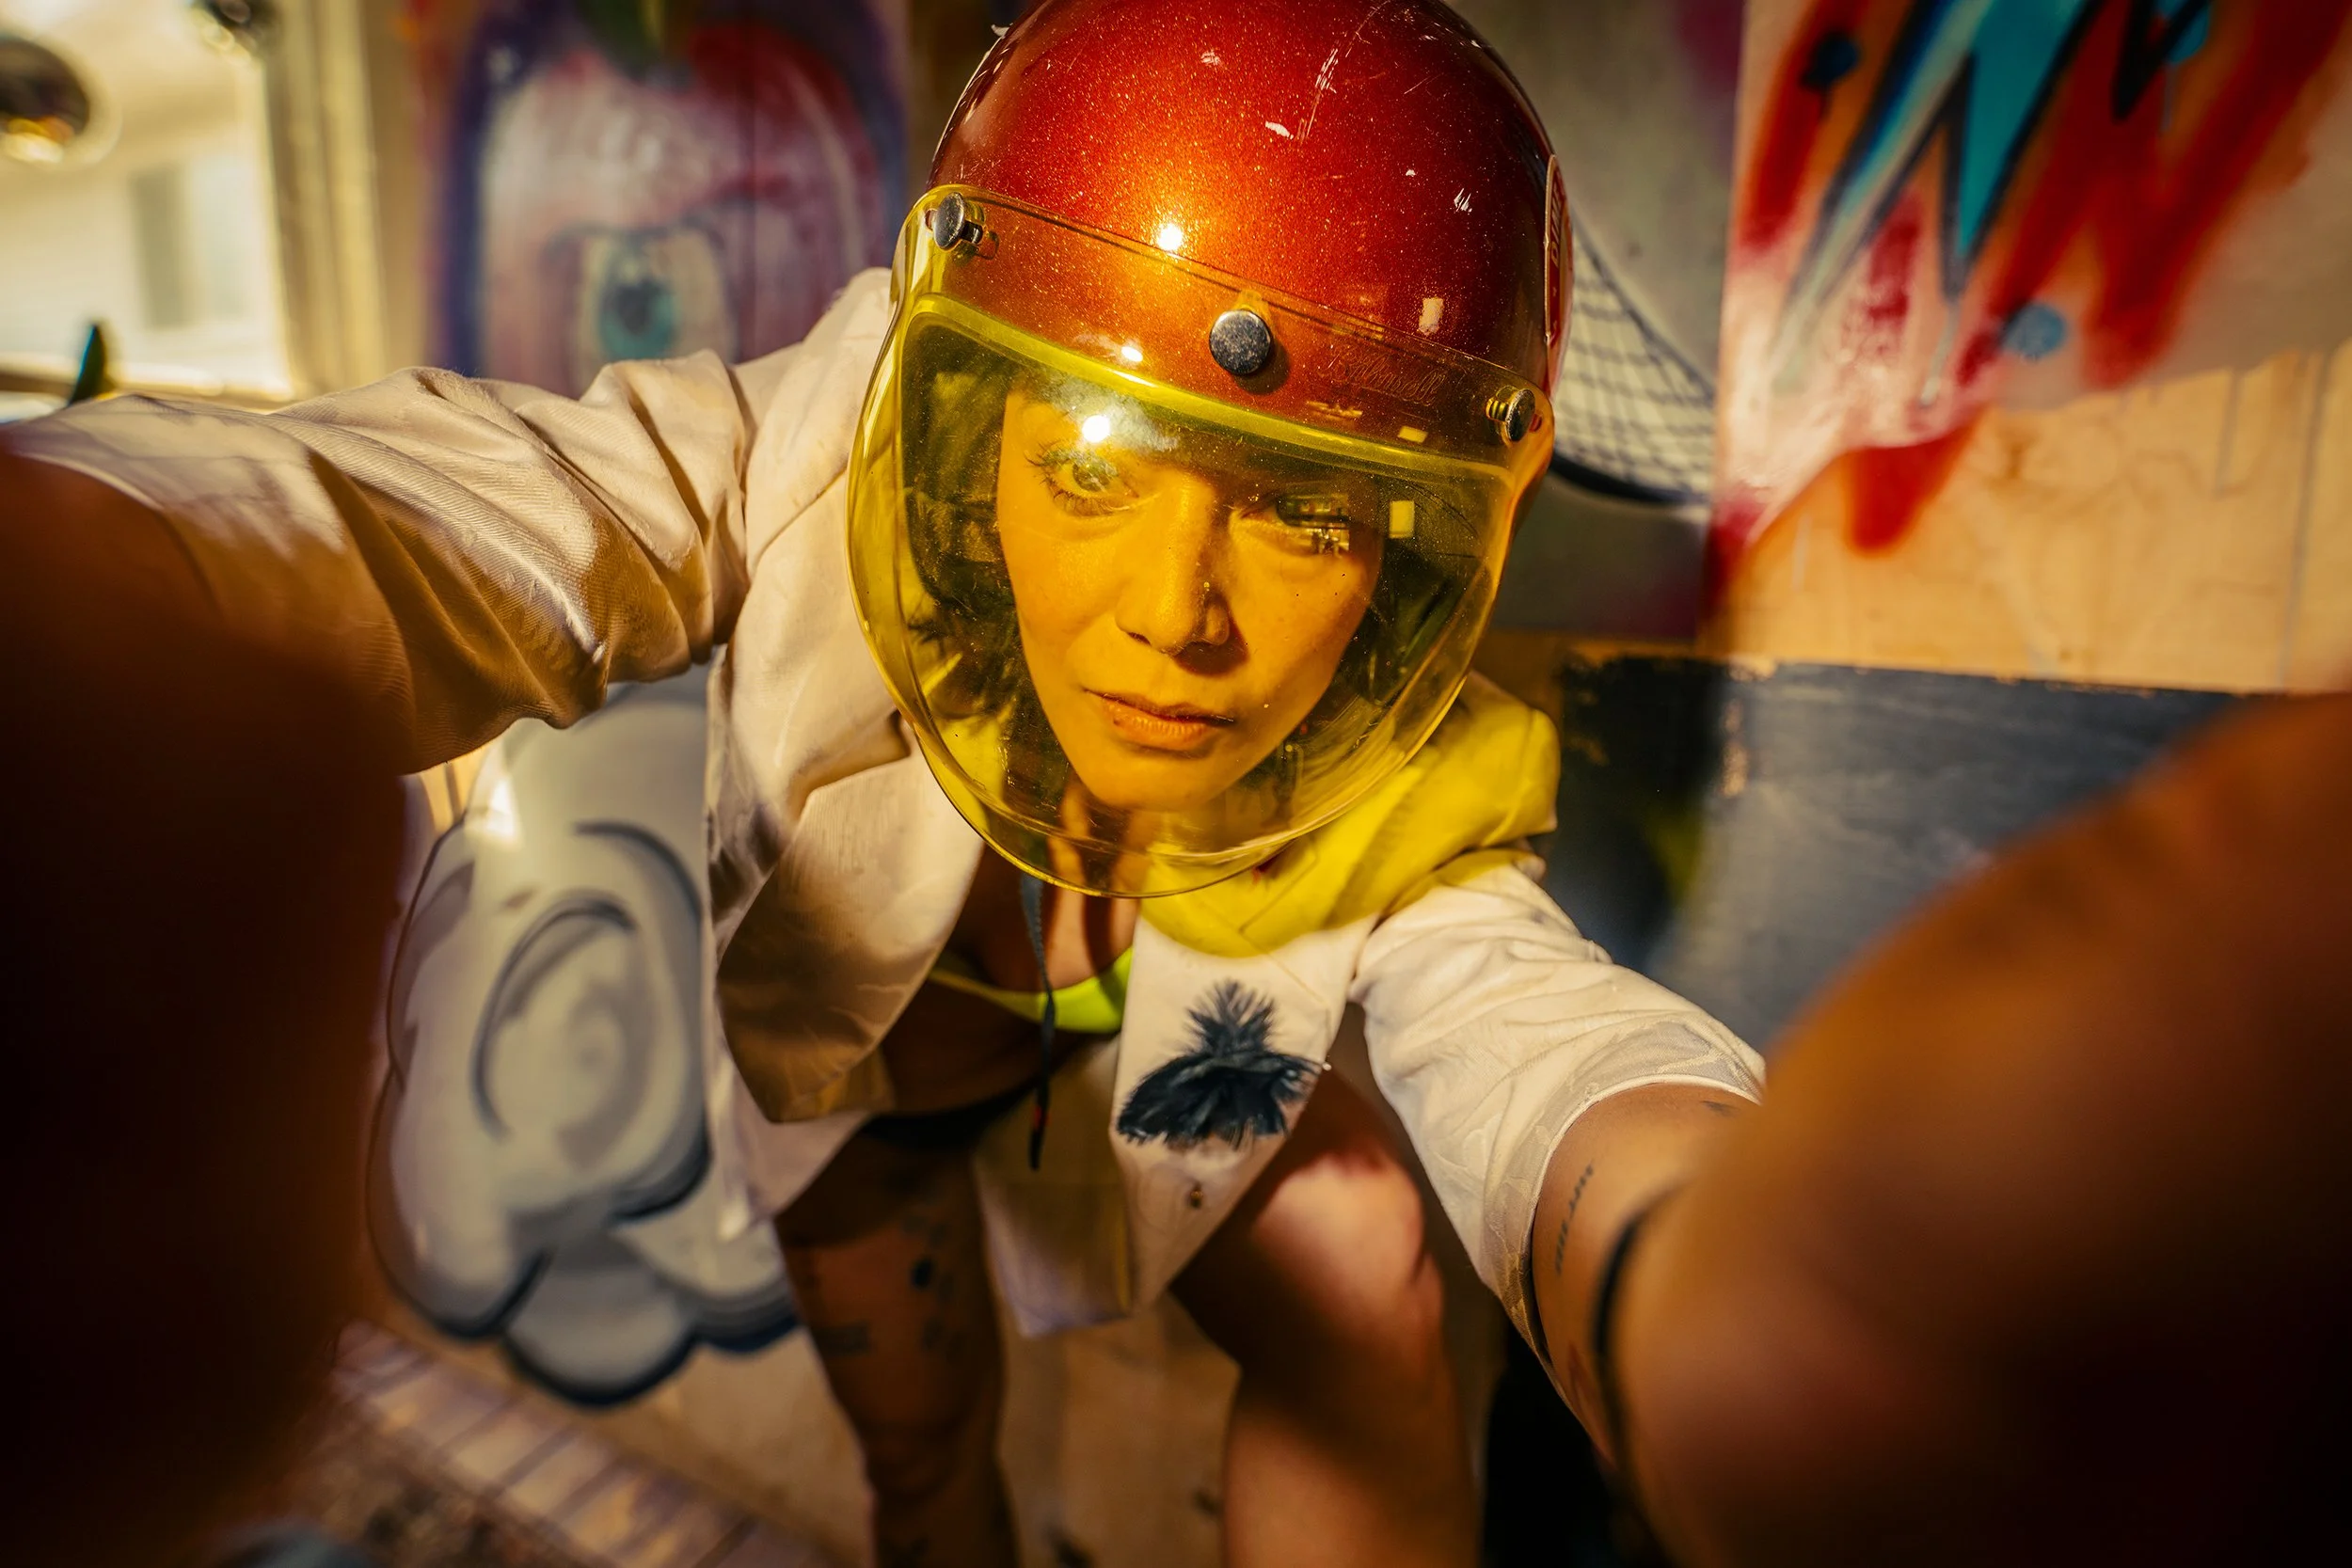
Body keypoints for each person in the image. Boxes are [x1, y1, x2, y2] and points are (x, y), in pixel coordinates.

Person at [0, 4, 1761, 1564]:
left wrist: (1710, 1279)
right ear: (970, 423)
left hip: (1150, 1076)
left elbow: (1524, 1020)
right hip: (873, 1079)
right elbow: (477, 510)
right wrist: (91, 580)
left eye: (1304, 509)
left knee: (1367, 1267)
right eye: (1088, 467)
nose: (1174, 618)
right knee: (923, 1451)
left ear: (1415, 533)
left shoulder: (1401, 734)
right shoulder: (806, 453)